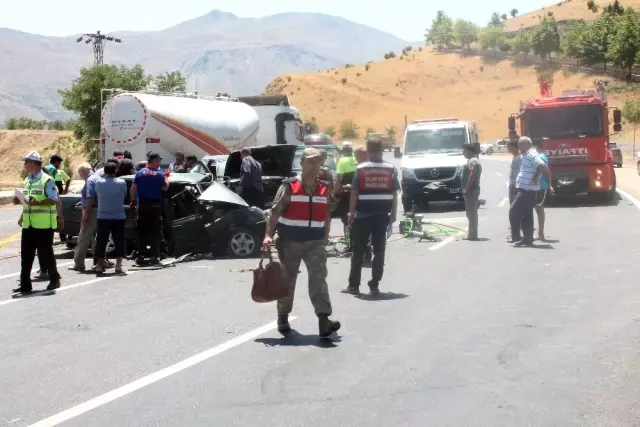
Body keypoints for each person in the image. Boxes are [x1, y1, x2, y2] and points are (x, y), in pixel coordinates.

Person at [262, 147, 341, 337]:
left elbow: (327, 212)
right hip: (290, 242)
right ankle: (283, 317)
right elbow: (275, 212)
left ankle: (324, 320)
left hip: (315, 242)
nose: (315, 166)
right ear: (302, 163)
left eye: (318, 162)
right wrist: (267, 236)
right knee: (287, 281)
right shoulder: (289, 186)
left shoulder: (324, 187)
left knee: (318, 280)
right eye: (311, 161)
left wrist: (326, 234)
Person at [343, 140, 399, 296]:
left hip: (362, 216)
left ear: (367, 151)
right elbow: (394, 194)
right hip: (382, 216)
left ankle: (353, 286)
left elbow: (354, 192)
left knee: (358, 251)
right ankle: (374, 284)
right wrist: (393, 214)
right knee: (379, 251)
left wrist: (351, 213)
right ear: (381, 150)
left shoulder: (361, 168)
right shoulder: (390, 168)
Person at [14, 151, 61, 294]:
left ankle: (54, 279)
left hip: (44, 225)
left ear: (33, 163)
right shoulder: (28, 180)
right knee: (26, 256)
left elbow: (54, 199)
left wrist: (38, 202)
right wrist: (19, 201)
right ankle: (25, 284)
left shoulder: (47, 180)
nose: (24, 165)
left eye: (26, 162)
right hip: (29, 225)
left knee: (46, 254)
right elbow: (28, 200)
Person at [509, 137, 552, 246]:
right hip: (527, 189)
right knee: (527, 214)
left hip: (527, 190)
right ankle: (528, 239)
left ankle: (516, 237)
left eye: (520, 145)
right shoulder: (527, 155)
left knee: (513, 210)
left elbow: (542, 166)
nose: (519, 148)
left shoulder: (531, 155)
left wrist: (537, 176)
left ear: (527, 145)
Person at [130, 152, 168, 264]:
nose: (159, 163)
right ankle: (154, 255)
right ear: (155, 161)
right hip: (155, 205)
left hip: (143, 204)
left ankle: (140, 255)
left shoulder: (140, 173)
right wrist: (167, 178)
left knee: (142, 230)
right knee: (155, 231)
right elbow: (165, 188)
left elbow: (133, 188)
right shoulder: (160, 174)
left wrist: (132, 201)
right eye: (159, 161)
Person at [93, 162, 127, 274]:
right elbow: (124, 194)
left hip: (103, 216)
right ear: (115, 170)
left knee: (101, 241)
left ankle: (99, 265)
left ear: (104, 171)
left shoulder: (99, 183)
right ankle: (118, 265)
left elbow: (97, 195)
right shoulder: (122, 183)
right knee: (119, 240)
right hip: (119, 215)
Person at [71, 163, 97, 272]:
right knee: (96, 238)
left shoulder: (90, 180)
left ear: (84, 171)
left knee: (83, 237)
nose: (80, 176)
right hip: (98, 210)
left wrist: (86, 213)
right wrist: (82, 202)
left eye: (80, 173)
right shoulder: (97, 178)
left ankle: (79, 263)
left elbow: (91, 198)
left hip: (91, 211)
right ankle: (99, 262)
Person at [334, 144, 359, 251]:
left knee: (346, 216)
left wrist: (335, 192)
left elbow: (339, 178)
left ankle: (350, 244)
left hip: (346, 192)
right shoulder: (356, 160)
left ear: (343, 152)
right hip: (358, 191)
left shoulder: (342, 161)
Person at [461, 144, 482, 241]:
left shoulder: (473, 161)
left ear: (470, 151)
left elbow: (473, 173)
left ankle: (472, 235)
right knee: (470, 213)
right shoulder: (470, 161)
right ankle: (471, 233)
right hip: (471, 190)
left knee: (471, 213)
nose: (463, 153)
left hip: (471, 190)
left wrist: (467, 188)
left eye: (464, 151)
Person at [532, 139, 551, 241]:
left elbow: (542, 169)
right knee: (539, 209)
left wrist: (536, 177)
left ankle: (540, 233)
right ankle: (540, 232)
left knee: (539, 209)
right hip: (539, 186)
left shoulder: (540, 157)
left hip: (540, 186)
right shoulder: (541, 156)